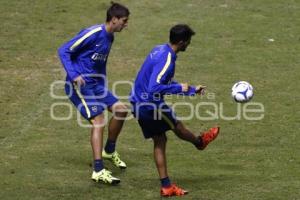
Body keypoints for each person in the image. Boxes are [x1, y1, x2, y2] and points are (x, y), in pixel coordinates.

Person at [130, 24, 220, 197]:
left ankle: (166, 186)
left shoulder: (159, 49)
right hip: (150, 104)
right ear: (181, 42)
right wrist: (180, 88)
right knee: (174, 128)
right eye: (188, 41)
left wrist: (192, 89)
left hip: (137, 101)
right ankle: (200, 143)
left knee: (161, 138)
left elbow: (160, 80)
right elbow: (154, 88)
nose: (189, 44)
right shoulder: (167, 59)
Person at [58, 2, 130, 185]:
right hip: (79, 85)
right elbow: (64, 50)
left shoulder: (110, 36)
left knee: (121, 110)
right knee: (99, 121)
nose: (126, 24)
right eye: (124, 21)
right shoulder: (93, 33)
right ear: (114, 19)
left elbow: (99, 63)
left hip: (96, 85)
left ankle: (109, 150)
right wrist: (74, 75)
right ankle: (98, 170)